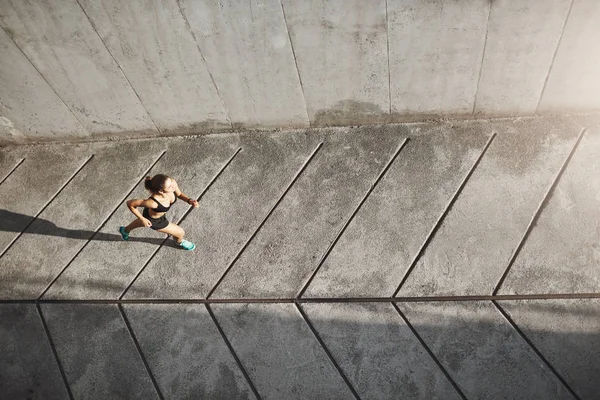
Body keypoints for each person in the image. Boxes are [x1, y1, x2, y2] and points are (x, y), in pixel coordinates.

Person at [119, 174, 198, 250]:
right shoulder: (152, 203)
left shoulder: (171, 183)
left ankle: (125, 230)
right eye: (170, 186)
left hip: (154, 213)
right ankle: (179, 242)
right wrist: (143, 219)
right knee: (180, 232)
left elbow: (179, 194)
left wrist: (189, 200)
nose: (173, 185)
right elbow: (130, 204)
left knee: (142, 221)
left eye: (170, 181)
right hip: (156, 221)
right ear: (161, 191)